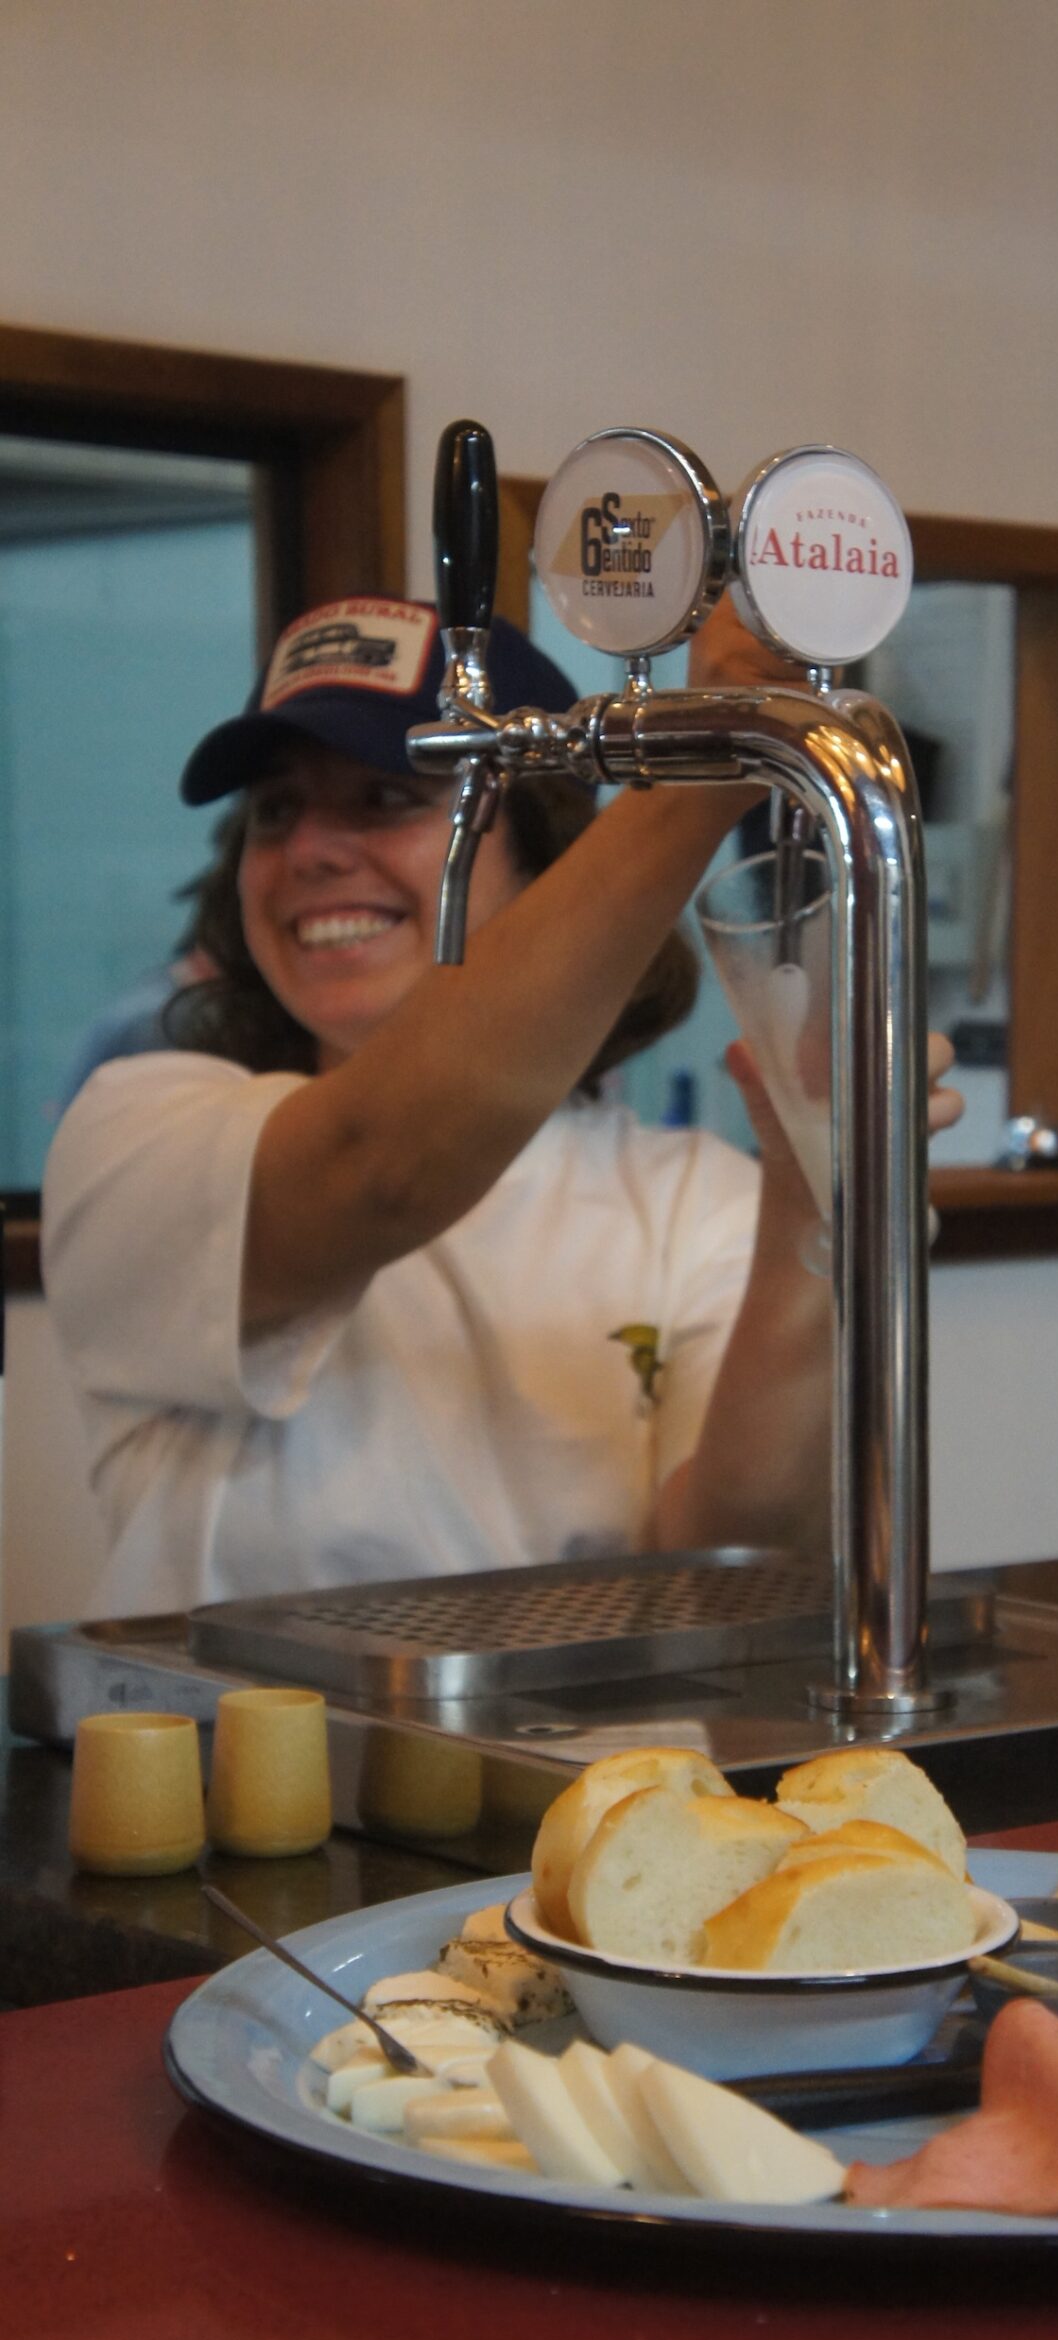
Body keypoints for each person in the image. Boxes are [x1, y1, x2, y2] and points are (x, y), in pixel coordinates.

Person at [43, 593, 959, 1615]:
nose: (309, 851)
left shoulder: (691, 1201)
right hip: (240, 1729)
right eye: (275, 810)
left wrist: (807, 1190)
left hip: (582, 1727)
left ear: (545, 859)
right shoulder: (139, 1130)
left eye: (386, 797)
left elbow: (736, 1562)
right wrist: (702, 770)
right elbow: (375, 1166)